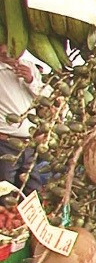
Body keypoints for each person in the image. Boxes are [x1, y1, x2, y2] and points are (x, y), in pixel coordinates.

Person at [0, 43, 44, 193]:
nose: (4, 52)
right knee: (6, 191)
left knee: (32, 190)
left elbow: (49, 98)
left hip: (28, 144)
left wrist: (31, 80)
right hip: (5, 143)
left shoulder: (30, 67)